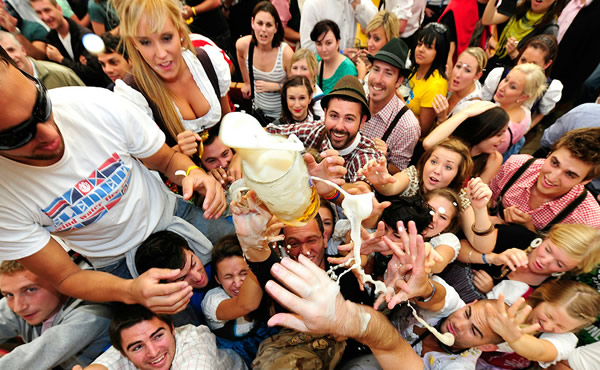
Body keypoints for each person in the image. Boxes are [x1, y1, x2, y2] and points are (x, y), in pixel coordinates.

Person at [0, 46, 230, 314]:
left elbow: (167, 161)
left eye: (42, 106)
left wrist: (193, 174)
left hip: (170, 216)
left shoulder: (94, 105)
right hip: (115, 266)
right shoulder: (5, 198)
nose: (49, 133)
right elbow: (67, 277)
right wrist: (130, 291)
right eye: (18, 135)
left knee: (247, 253)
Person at [113, 0, 231, 157]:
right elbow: (147, 161)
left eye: (166, 38)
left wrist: (237, 156)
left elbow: (228, 120)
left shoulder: (206, 60)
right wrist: (176, 152)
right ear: (134, 43)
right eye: (146, 42)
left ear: (180, 32)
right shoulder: (132, 94)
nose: (161, 54)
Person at [266, 75, 381, 184]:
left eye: (349, 119)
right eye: (334, 116)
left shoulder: (366, 153)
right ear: (325, 114)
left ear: (361, 122)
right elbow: (272, 131)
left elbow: (361, 192)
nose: (339, 126)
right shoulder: (320, 131)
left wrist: (328, 185)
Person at [0, 260, 111, 369]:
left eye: (31, 289)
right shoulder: (21, 303)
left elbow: (32, 358)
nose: (18, 307)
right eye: (9, 294)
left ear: (59, 281)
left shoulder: (91, 314)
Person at [488, 127, 600, 231]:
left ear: (585, 181)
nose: (552, 177)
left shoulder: (587, 220)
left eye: (570, 174)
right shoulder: (516, 166)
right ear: (549, 154)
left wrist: (529, 230)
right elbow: (486, 199)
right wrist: (486, 217)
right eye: (554, 163)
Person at [84, 304, 245, 369]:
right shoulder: (127, 345)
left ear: (172, 329)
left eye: (158, 336)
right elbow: (106, 364)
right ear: (124, 353)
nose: (153, 352)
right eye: (138, 347)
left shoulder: (195, 339)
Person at [361, 37, 420, 173]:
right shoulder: (357, 98)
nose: (378, 80)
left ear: (399, 81)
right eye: (376, 69)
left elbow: (399, 172)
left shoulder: (407, 125)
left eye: (388, 73)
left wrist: (384, 161)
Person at [481, 35, 562, 131]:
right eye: (523, 60)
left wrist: (524, 130)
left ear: (547, 64)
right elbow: (483, 100)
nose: (525, 67)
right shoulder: (500, 74)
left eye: (532, 64)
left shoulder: (549, 88)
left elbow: (541, 113)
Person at [30, 0, 111, 87]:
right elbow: (59, 76)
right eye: (39, 13)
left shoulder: (84, 34)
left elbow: (93, 72)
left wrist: (60, 59)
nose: (45, 17)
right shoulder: (50, 40)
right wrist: (78, 65)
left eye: (47, 10)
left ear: (59, 9)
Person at [424, 101, 508, 183]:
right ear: (481, 131)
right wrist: (466, 113)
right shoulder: (451, 146)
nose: (504, 140)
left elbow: (474, 194)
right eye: (499, 135)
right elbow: (428, 143)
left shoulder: (494, 159)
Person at [236, 1, 292, 123]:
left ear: (276, 27)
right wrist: (247, 82)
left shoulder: (285, 53)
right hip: (258, 115)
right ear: (252, 23)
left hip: (283, 118)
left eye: (269, 25)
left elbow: (297, 88)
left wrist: (276, 86)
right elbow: (240, 55)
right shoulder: (244, 45)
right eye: (259, 23)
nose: (263, 30)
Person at [481, 0, 566, 74]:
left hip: (512, 75)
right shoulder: (520, 9)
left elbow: (535, 70)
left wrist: (514, 54)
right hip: (493, 65)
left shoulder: (550, 28)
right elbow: (487, 20)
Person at [489, 63, 547, 156]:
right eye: (506, 79)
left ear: (523, 97)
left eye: (512, 87)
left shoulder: (501, 129)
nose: (502, 87)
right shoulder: (525, 112)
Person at [406, 22, 450, 136]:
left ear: (439, 53)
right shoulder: (415, 68)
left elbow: (423, 129)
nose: (421, 49)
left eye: (429, 47)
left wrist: (400, 103)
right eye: (419, 44)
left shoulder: (436, 85)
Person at [0, 30, 84, 89]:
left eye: (11, 50)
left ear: (23, 50)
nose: (10, 57)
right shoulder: (6, 91)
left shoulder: (60, 73)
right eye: (4, 56)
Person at [432, 47, 488, 123]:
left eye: (467, 70)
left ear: (477, 76)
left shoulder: (472, 109)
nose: (458, 74)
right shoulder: (451, 83)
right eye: (458, 66)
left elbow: (451, 135)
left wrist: (442, 118)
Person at [299, 0, 377, 54]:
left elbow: (375, 26)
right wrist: (339, 54)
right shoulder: (312, 4)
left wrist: (357, 4)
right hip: (323, 70)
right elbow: (307, 47)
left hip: (350, 65)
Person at [349, 10, 400, 85]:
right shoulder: (372, 59)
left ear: (390, 40)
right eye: (369, 36)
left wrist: (361, 77)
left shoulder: (393, 70)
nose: (369, 44)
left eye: (376, 39)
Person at [310, 20, 358, 95]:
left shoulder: (347, 69)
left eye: (328, 43)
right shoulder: (315, 61)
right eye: (319, 44)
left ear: (337, 42)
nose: (323, 49)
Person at [289, 48, 324, 117]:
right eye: (295, 68)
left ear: (313, 71)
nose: (298, 73)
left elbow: (322, 124)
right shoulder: (289, 90)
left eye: (304, 69)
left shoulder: (318, 99)